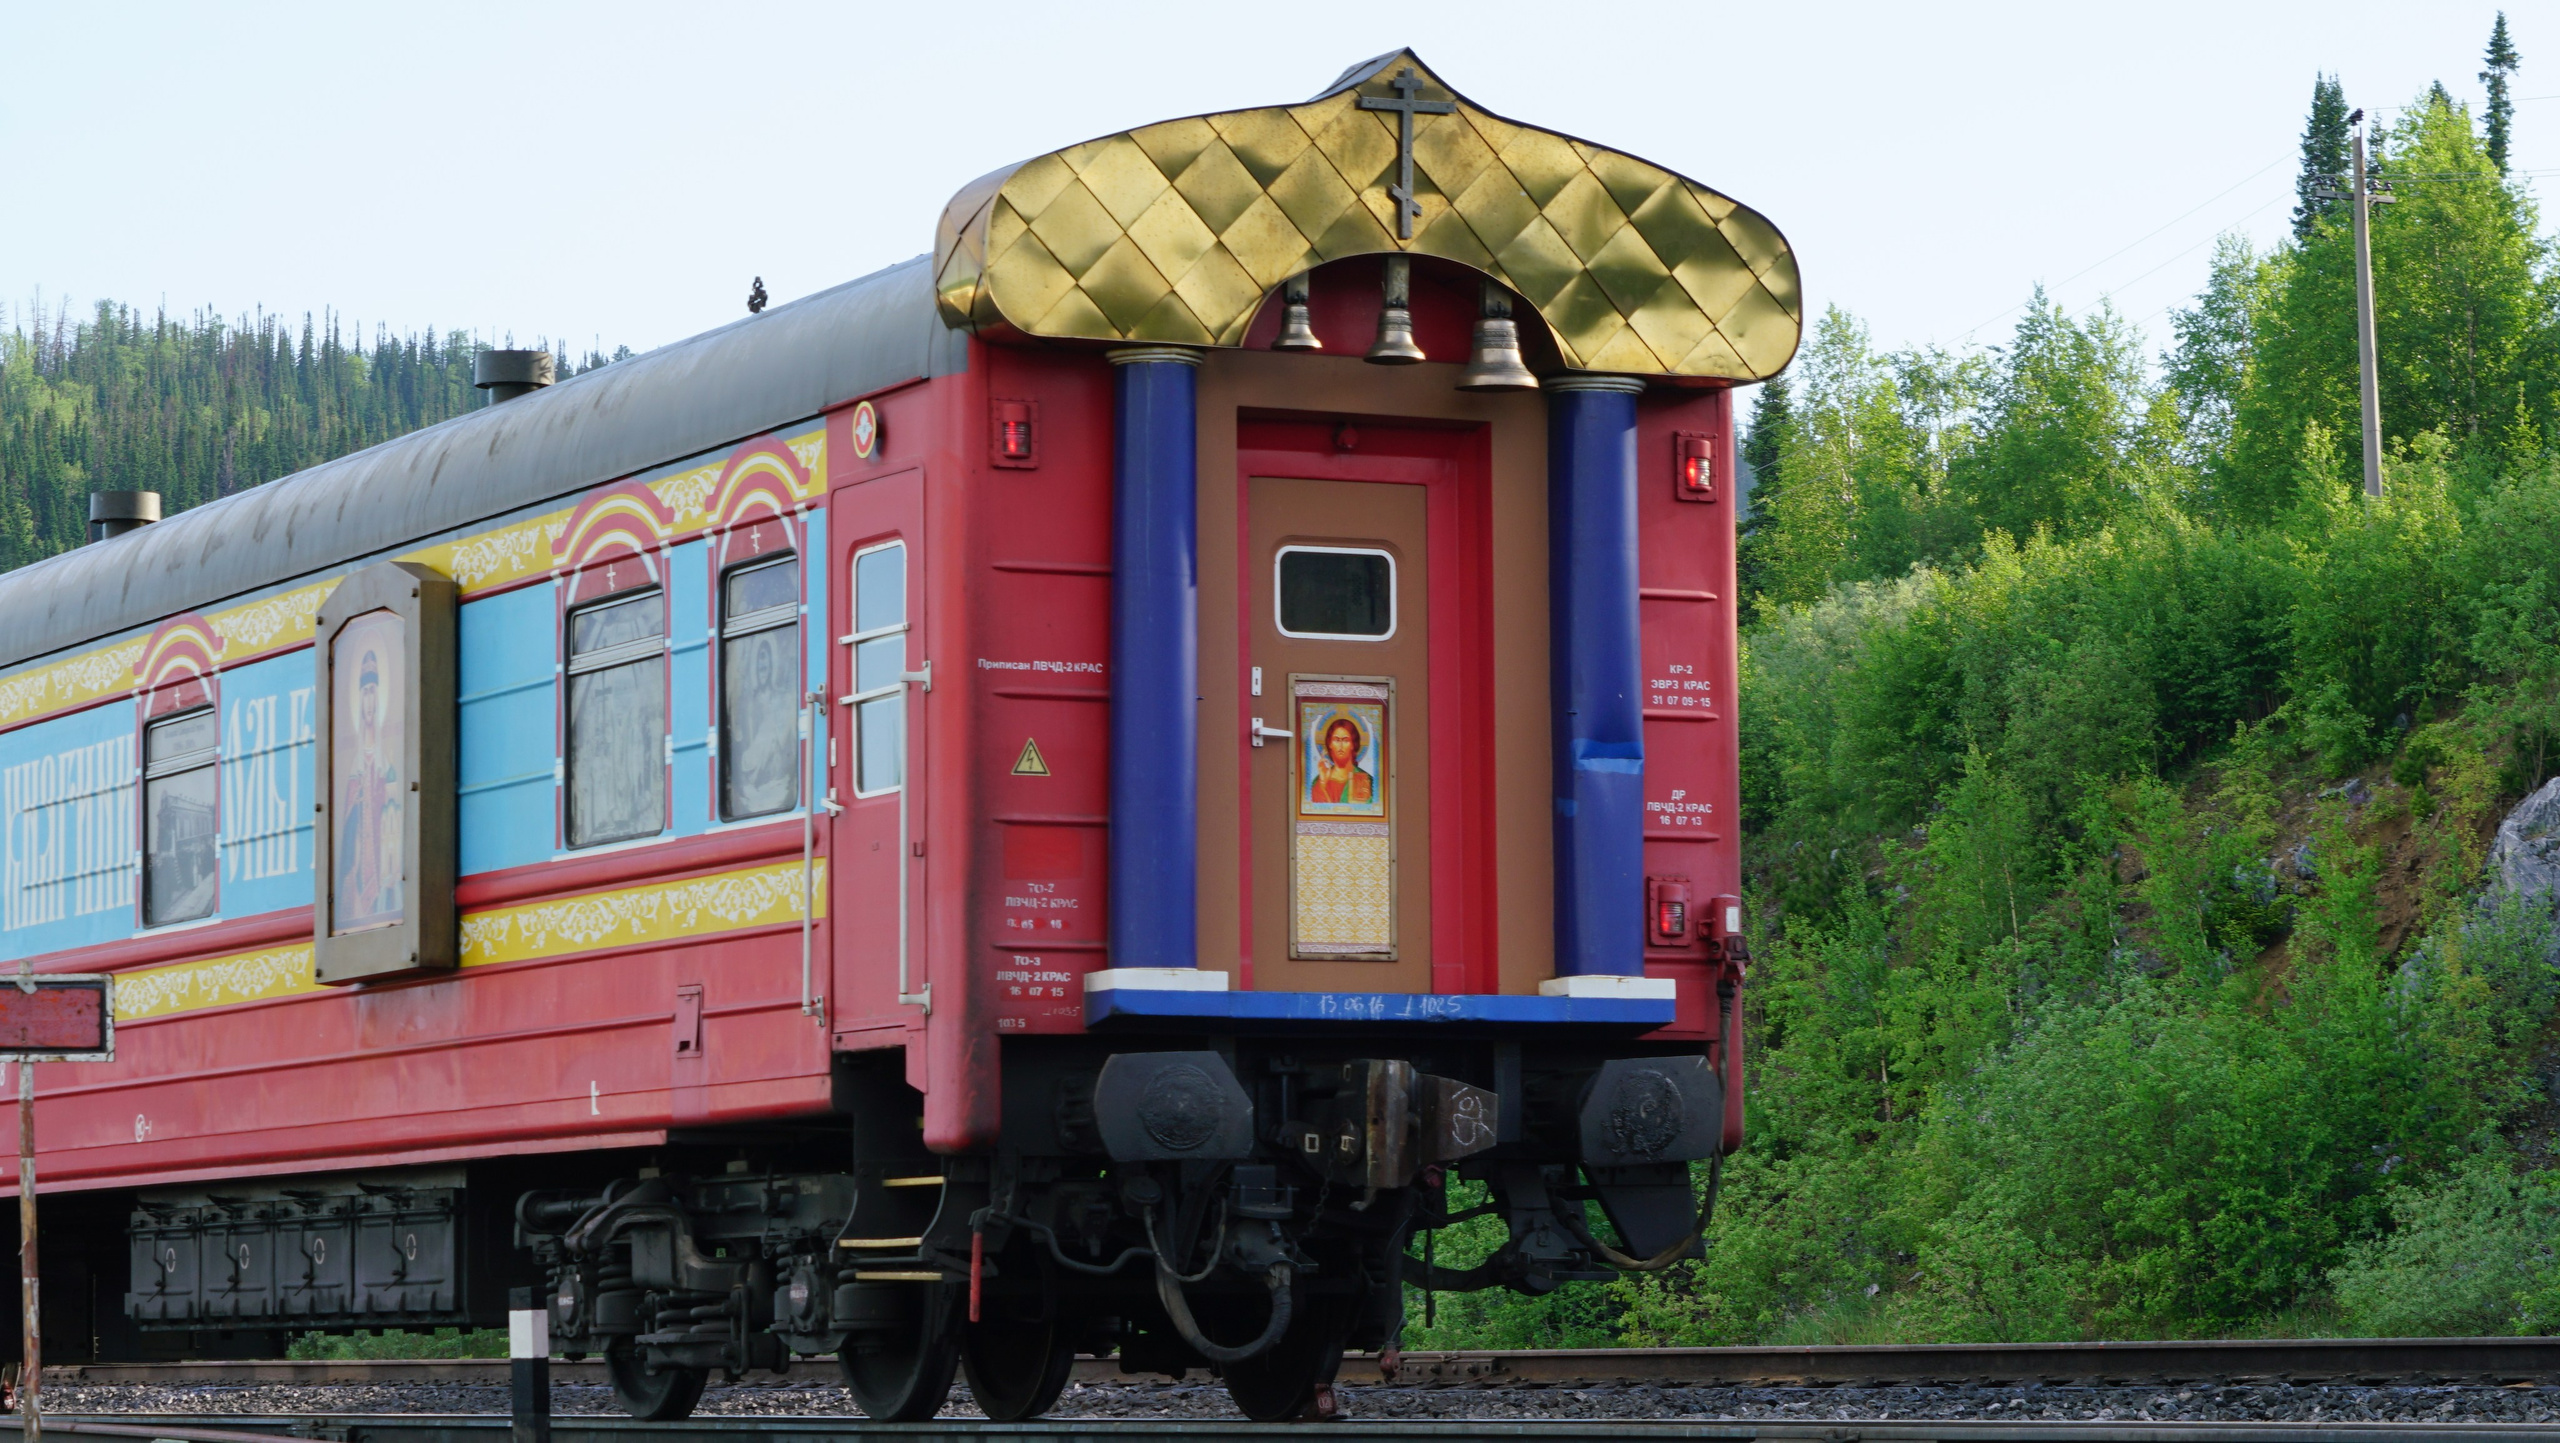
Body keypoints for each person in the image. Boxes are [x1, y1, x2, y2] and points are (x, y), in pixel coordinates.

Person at [336, 644, 404, 927]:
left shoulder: (386, 762)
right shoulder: (353, 763)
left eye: (373, 693)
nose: (369, 702)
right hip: (358, 858)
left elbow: (394, 815)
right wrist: (358, 798)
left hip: (381, 859)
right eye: (364, 694)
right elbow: (347, 817)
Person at [1307, 715, 1376, 806]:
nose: (1340, 745)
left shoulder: (1364, 779)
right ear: (1330, 744)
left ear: (1353, 745)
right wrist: (1322, 784)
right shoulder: (1319, 781)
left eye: (1345, 740)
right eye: (1336, 740)